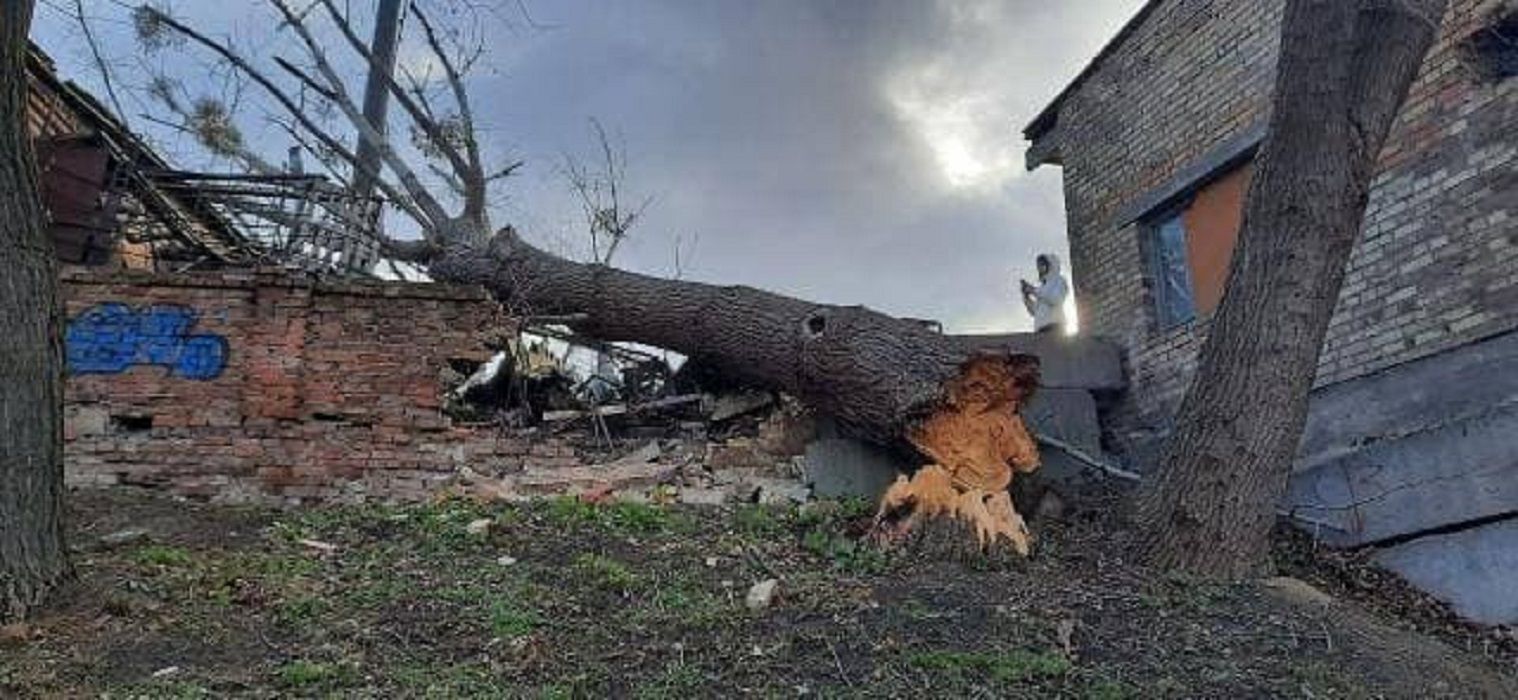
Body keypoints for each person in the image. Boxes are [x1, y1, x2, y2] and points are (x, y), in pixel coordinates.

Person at [1020, 253, 1069, 334]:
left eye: (1042, 265)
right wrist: (1026, 297)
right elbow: (1034, 312)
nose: (1039, 268)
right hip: (1040, 329)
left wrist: (1033, 290)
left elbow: (1056, 299)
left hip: (1055, 327)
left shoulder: (1059, 281)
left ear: (1050, 265)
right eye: (1038, 265)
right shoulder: (1042, 287)